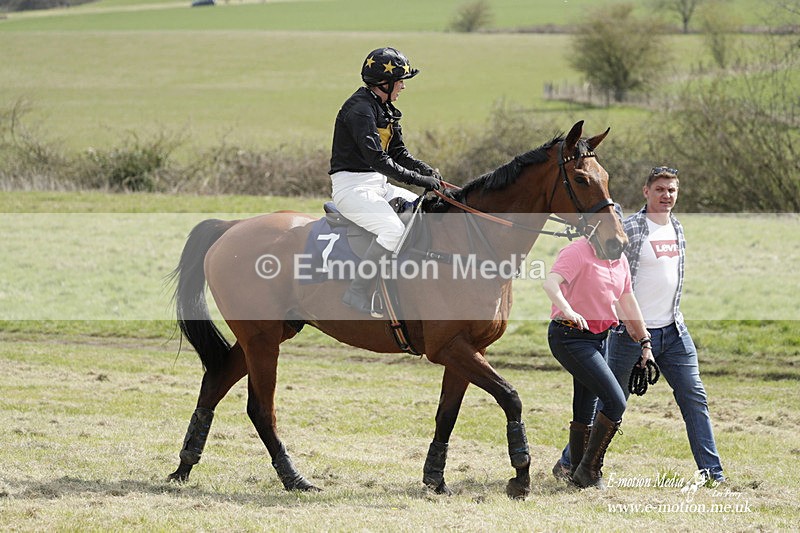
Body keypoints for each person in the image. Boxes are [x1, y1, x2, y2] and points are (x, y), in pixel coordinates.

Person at [552, 166, 726, 484]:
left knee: (694, 397)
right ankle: (571, 462)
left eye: (672, 190)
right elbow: (613, 280)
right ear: (646, 191)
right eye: (660, 189)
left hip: (673, 331)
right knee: (611, 401)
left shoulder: (677, 228)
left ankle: (712, 473)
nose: (667, 195)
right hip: (628, 334)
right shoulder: (629, 228)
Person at [329, 47, 442, 316]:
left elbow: (398, 153)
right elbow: (379, 159)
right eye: (400, 80)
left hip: (376, 184)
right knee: (393, 231)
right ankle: (356, 291)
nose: (403, 85)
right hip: (351, 188)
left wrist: (428, 172)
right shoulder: (359, 110)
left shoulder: (383, 108)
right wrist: (418, 179)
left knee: (423, 210)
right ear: (385, 82)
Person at [543, 227, 654, 489]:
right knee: (615, 401)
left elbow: (628, 302)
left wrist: (645, 340)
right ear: (594, 229)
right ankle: (589, 471)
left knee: (585, 409)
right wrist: (568, 310)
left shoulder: (620, 260)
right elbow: (550, 283)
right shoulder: (577, 251)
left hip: (598, 338)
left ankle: (572, 470)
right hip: (569, 336)